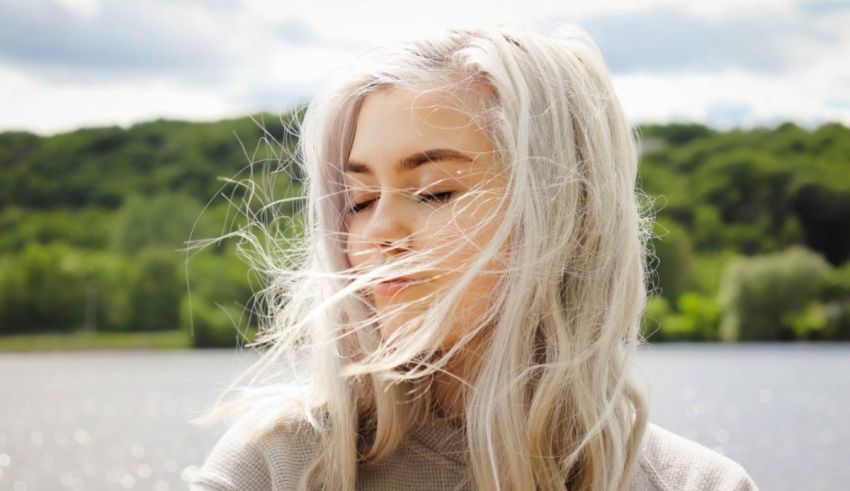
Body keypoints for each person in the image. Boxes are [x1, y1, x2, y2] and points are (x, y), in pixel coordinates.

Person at [189, 24, 760, 490]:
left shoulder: (695, 484)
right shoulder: (280, 464)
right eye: (359, 199)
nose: (378, 230)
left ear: (564, 211)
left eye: (435, 191)